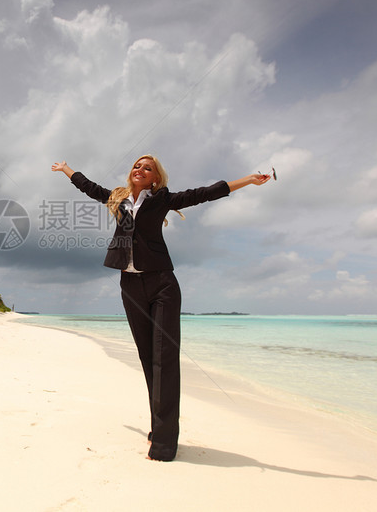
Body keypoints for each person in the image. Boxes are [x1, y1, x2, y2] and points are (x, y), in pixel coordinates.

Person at [51, 155, 271, 461]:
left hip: (162, 285)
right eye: (137, 166)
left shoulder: (163, 199)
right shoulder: (119, 198)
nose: (140, 169)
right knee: (147, 357)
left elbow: (205, 193)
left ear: (155, 178)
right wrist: (66, 170)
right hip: (129, 286)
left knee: (164, 360)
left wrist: (247, 179)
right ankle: (158, 426)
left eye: (148, 167)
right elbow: (89, 187)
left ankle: (165, 443)